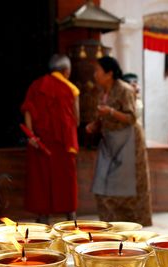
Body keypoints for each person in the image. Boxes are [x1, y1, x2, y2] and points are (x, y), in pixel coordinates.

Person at [86, 56, 152, 226]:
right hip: (111, 142)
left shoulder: (125, 89)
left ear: (109, 73)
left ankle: (129, 228)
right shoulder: (102, 91)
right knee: (103, 188)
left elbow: (131, 118)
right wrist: (95, 124)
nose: (95, 75)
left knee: (127, 190)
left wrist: (110, 112)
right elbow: (103, 115)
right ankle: (110, 227)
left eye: (97, 71)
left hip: (128, 142)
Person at [21, 54, 80, 223]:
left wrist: (32, 136)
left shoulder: (36, 85)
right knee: (66, 179)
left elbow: (28, 110)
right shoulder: (71, 89)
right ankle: (70, 215)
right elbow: (76, 118)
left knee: (42, 178)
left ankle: (43, 216)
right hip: (64, 143)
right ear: (66, 71)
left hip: (41, 142)